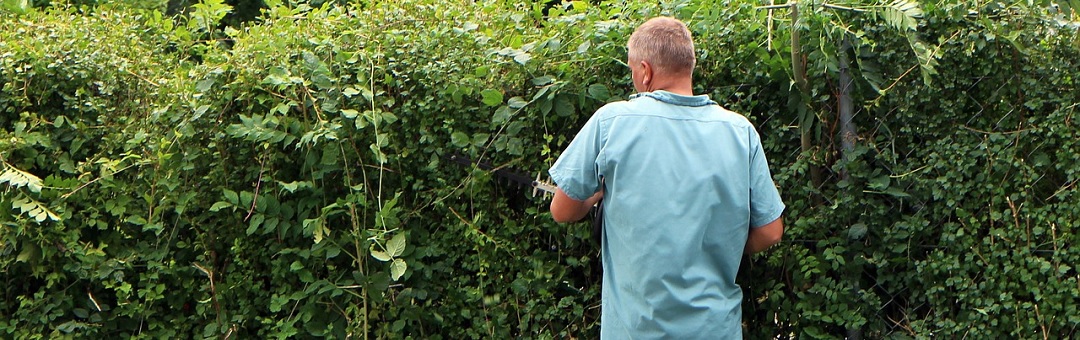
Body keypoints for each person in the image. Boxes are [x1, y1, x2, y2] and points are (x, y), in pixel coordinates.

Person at [547, 17, 785, 338]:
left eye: (633, 70)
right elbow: (770, 232)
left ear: (645, 71)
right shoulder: (739, 131)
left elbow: (563, 210)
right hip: (714, 329)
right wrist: (719, 247)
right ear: (688, 66)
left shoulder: (612, 122)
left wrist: (595, 195)